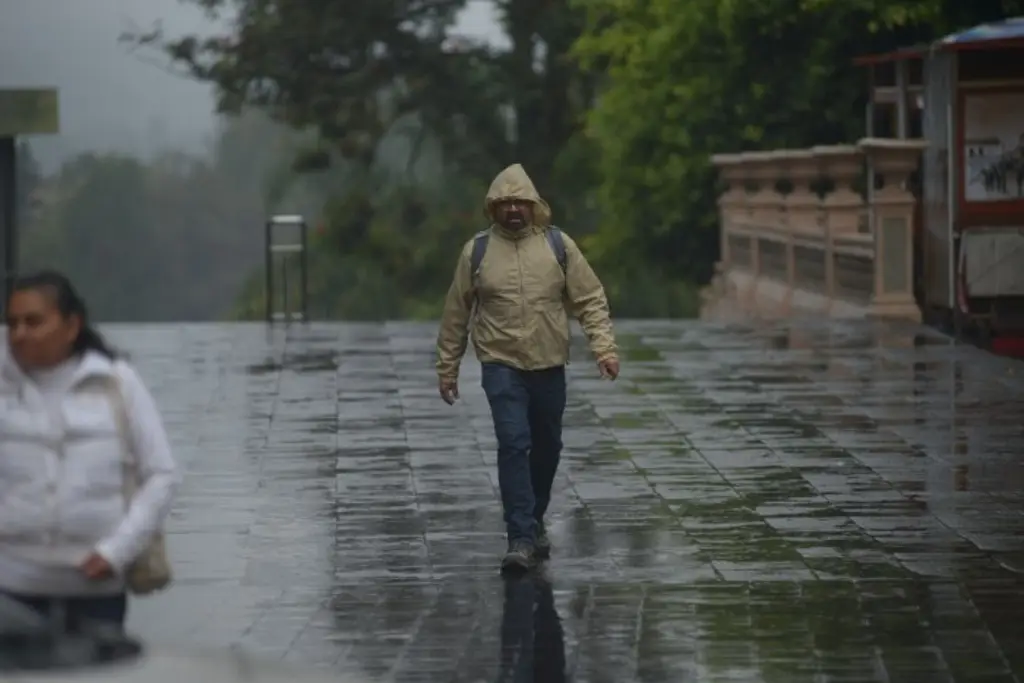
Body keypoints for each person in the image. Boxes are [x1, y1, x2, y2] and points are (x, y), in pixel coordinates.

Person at [435, 163, 618, 571]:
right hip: (500, 363)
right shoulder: (477, 251)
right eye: (505, 203)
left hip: (549, 363)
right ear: (493, 209)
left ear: (534, 206)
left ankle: (534, 518)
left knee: (547, 446)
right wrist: (447, 367)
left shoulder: (558, 246)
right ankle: (518, 536)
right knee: (513, 442)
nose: (513, 210)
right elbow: (456, 313)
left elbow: (589, 299)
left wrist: (604, 349)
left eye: (521, 202)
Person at [0, 270, 180, 631]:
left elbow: (162, 475)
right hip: (10, 593)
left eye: (34, 322)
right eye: (13, 323)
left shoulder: (116, 383)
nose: (20, 334)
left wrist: (116, 552)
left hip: (96, 593)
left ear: (71, 326)